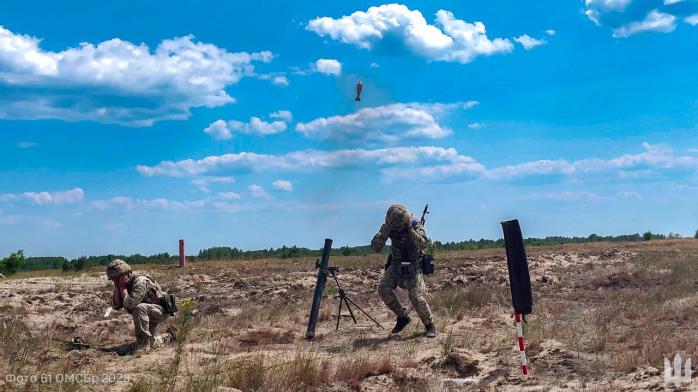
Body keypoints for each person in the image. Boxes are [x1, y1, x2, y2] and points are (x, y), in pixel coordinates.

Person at [371, 204, 436, 338]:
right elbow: (375, 246)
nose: (398, 229)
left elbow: (423, 244)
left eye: (399, 226)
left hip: (414, 266)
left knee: (416, 296)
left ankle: (430, 325)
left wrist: (410, 228)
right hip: (396, 266)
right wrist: (385, 230)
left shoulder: (414, 224)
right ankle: (402, 317)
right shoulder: (388, 227)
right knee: (383, 288)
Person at [107, 259, 176, 351]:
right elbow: (116, 306)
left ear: (126, 273)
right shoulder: (123, 283)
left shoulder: (140, 281)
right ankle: (170, 336)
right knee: (151, 343)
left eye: (117, 278)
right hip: (148, 312)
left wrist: (123, 288)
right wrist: (117, 288)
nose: (115, 281)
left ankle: (143, 345)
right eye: (113, 279)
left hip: (160, 310)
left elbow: (130, 304)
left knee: (139, 308)